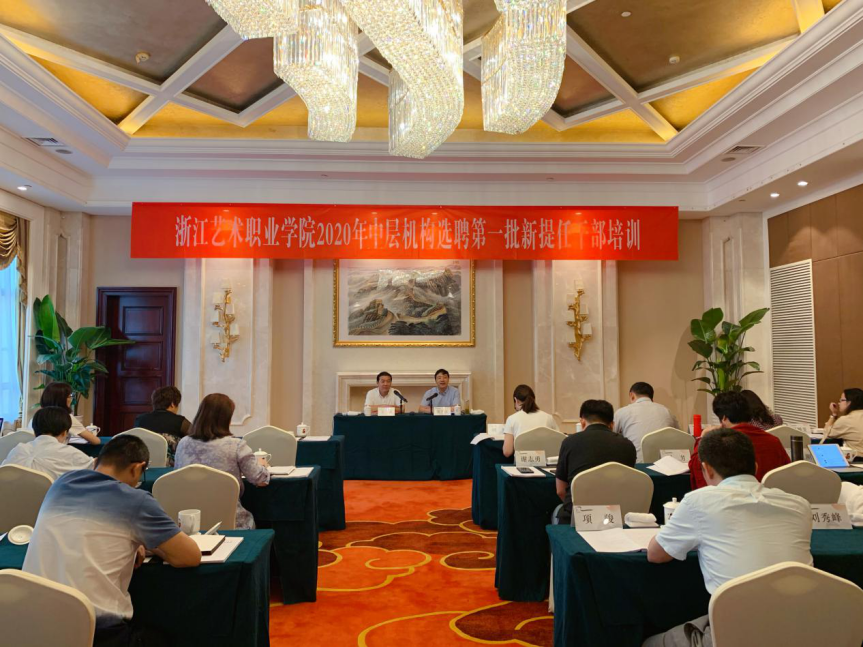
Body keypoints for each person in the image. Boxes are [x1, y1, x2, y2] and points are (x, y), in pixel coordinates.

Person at [23, 435, 201, 647]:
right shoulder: (135, 500)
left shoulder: (60, 485)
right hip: (95, 631)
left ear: (96, 462)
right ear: (137, 468)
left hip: (33, 626)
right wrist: (143, 539)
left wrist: (133, 540)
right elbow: (189, 556)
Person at [644, 428, 812, 647]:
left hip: (736, 633)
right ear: (755, 467)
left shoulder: (699, 502)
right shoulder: (799, 505)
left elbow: (656, 555)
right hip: (803, 629)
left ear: (706, 469)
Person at [174, 393, 270, 529]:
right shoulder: (236, 446)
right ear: (226, 419)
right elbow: (260, 480)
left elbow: (178, 477)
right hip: (231, 523)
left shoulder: (183, 444)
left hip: (190, 522)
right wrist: (263, 466)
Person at [555, 399, 637, 524]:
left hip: (578, 519)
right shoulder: (628, 445)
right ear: (612, 425)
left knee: (557, 510)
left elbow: (560, 491)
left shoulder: (569, 442)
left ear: (582, 422)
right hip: (617, 518)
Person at [689, 391, 788, 490]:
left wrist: (702, 438)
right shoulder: (774, 441)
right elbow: (787, 472)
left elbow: (699, 470)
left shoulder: (720, 445)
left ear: (724, 418)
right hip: (770, 496)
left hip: (730, 496)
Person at [2, 406, 93, 480]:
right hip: (53, 497)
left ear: (35, 431)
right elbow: (95, 468)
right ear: (64, 433)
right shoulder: (70, 454)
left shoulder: (18, 450)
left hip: (11, 497)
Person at [613, 382, 680, 462]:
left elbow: (610, 437)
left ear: (632, 395)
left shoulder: (621, 412)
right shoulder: (667, 411)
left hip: (636, 465)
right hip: (664, 465)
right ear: (652, 398)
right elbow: (679, 436)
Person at [133, 386, 191, 465]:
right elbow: (196, 440)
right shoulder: (181, 422)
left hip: (143, 468)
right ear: (172, 404)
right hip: (170, 469)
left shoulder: (140, 420)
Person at [30, 381, 100, 445]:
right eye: (70, 396)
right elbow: (96, 441)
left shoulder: (37, 416)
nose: (71, 399)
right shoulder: (65, 418)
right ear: (62, 399)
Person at [502, 385, 558, 457]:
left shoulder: (512, 419)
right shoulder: (549, 418)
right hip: (546, 462)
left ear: (516, 400)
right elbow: (559, 443)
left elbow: (507, 452)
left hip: (521, 462)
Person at [822, 388, 863, 453]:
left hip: (858, 457)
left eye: (841, 400)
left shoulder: (846, 420)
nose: (839, 403)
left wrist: (833, 415)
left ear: (849, 402)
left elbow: (827, 432)